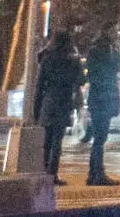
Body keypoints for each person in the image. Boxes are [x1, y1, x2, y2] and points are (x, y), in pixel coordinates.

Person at [32, 25, 86, 183]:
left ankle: (44, 171)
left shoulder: (47, 58)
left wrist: (36, 109)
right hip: (64, 100)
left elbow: (40, 85)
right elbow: (82, 79)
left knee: (47, 140)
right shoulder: (72, 58)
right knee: (57, 140)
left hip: (49, 100)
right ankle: (53, 174)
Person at [81, 29, 120, 186]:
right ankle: (97, 174)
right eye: (116, 32)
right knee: (100, 139)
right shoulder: (104, 51)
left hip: (100, 99)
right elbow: (114, 68)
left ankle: (94, 174)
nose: (118, 35)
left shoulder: (101, 50)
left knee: (99, 138)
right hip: (102, 99)